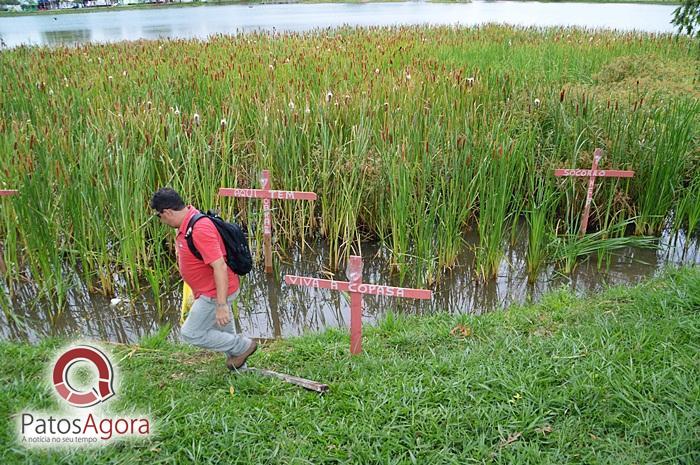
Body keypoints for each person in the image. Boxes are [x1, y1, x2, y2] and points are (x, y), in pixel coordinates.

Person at [150, 187, 257, 370]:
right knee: (224, 329)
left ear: (167, 212)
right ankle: (240, 369)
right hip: (207, 291)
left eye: (159, 217)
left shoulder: (199, 229)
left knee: (191, 333)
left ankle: (243, 347)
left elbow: (220, 266)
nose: (161, 221)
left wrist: (221, 305)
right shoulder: (189, 221)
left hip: (214, 293)